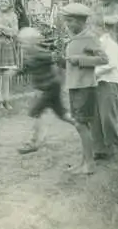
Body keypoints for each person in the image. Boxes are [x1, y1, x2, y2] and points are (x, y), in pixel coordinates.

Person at [60, 3, 109, 175]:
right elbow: (70, 62)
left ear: (81, 21)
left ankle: (90, 163)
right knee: (82, 125)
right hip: (75, 86)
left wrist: (80, 59)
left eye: (70, 21)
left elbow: (104, 59)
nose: (67, 25)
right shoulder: (75, 38)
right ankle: (83, 162)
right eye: (66, 21)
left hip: (85, 87)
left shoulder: (90, 37)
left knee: (81, 124)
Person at [11, 27, 76, 155]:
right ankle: (83, 125)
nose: (21, 46)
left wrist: (69, 65)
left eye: (23, 43)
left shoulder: (41, 54)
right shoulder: (32, 54)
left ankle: (33, 142)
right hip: (50, 87)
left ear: (32, 43)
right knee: (62, 114)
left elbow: (57, 60)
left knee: (35, 112)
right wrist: (17, 71)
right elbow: (28, 66)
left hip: (49, 88)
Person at [88, 7, 118, 163]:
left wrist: (92, 72)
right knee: (95, 117)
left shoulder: (109, 43)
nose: (90, 30)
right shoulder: (95, 44)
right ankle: (100, 149)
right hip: (97, 83)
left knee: (107, 118)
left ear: (101, 28)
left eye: (92, 27)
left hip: (109, 83)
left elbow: (110, 65)